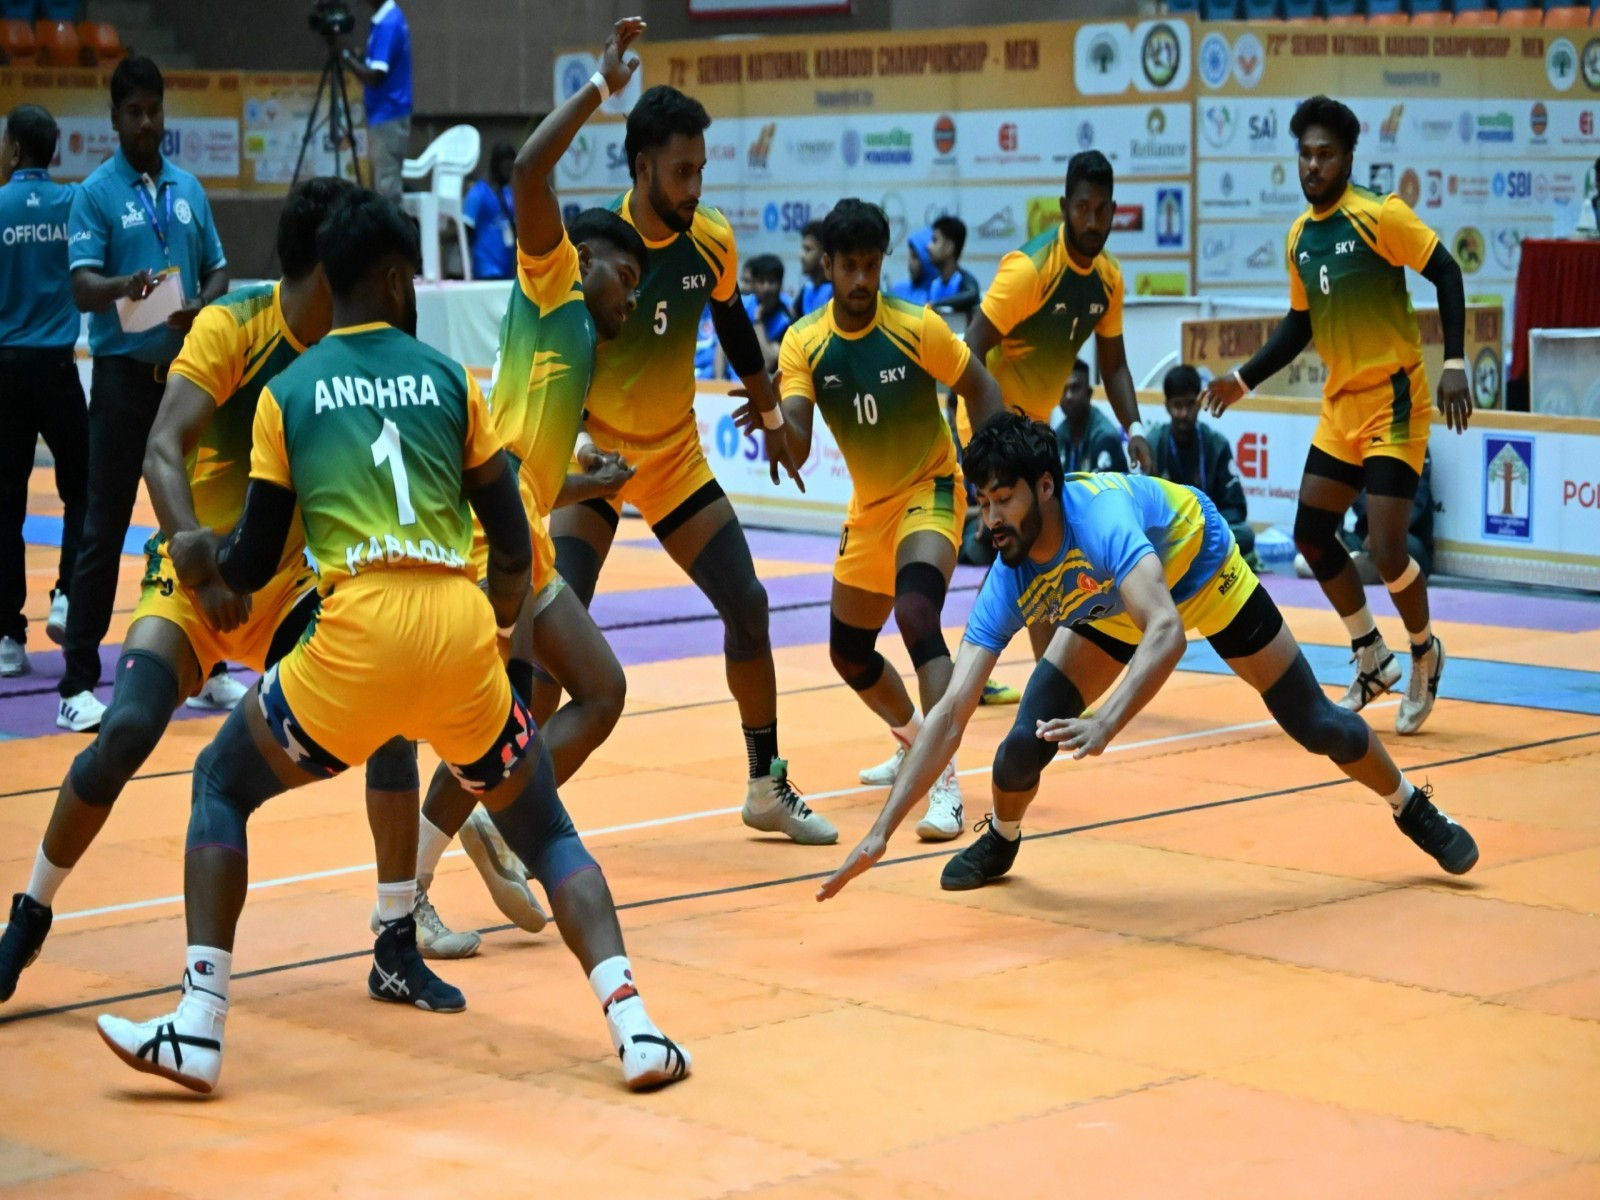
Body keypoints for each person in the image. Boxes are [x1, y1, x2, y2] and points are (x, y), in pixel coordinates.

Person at [95, 187, 690, 1096]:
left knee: (220, 783)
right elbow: (504, 521)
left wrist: (200, 564)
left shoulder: (288, 391)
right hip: (455, 630)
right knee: (549, 831)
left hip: (356, 639)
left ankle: (201, 1022)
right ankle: (639, 1030)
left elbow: (256, 557)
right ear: (392, 275)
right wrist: (492, 632)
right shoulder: (448, 379)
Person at [0, 178, 463, 1010]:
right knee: (129, 729)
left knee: (392, 721)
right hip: (194, 585)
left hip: (286, 593)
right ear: (329, 268)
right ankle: (28, 917)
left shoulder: (351, 360)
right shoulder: (233, 328)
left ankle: (394, 939)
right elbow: (161, 450)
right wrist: (202, 570)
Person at [817, 413, 1480, 905]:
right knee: (1021, 745)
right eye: (983, 503)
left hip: (1200, 571)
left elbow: (1165, 632)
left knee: (1317, 724)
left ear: (1045, 487)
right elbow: (952, 712)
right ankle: (1005, 839)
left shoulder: (1100, 517)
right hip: (1112, 608)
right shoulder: (1008, 573)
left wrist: (1106, 723)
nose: (990, 519)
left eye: (1004, 499)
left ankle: (1411, 807)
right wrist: (881, 831)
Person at [391, 18, 651, 951]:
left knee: (597, 693)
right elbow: (530, 177)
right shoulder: (556, 288)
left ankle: (498, 821)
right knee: (488, 724)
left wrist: (589, 485)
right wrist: (598, 89)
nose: (634, 304)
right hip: (484, 542)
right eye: (632, 285)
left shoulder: (576, 349)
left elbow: (533, 460)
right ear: (600, 264)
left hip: (525, 535)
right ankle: (410, 897)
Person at [544, 83, 832, 845]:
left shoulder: (710, 238)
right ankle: (513, 802)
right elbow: (557, 356)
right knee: (550, 637)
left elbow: (736, 325)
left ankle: (765, 785)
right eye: (681, 173)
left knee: (750, 604)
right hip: (594, 459)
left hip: (673, 459)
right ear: (642, 168)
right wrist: (571, 457)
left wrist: (772, 417)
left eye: (701, 170)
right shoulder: (593, 249)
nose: (695, 188)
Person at [1199, 94, 1470, 736]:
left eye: (1325, 154)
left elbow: (1449, 272)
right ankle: (1369, 655)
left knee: (1383, 545)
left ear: (1348, 157)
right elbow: (1300, 323)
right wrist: (1243, 379)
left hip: (1395, 400)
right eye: (1305, 154)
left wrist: (1454, 360)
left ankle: (1425, 649)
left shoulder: (1381, 215)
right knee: (1312, 535)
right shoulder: (1299, 236)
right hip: (1340, 405)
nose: (1313, 165)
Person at [775, 199, 1003, 841]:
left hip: (932, 488)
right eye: (849, 266)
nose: (861, 281)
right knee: (848, 653)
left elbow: (981, 390)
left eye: (871, 265)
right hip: (869, 508)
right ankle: (912, 739)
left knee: (917, 614)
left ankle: (946, 785)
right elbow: (795, 441)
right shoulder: (804, 342)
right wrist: (772, 423)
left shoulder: (916, 325)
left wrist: (995, 486)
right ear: (828, 265)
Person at [58, 56, 230, 732]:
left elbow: (217, 270)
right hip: (125, 382)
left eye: (155, 111)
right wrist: (126, 287)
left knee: (197, 522)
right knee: (103, 528)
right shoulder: (96, 193)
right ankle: (76, 683)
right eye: (134, 113)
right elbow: (81, 288)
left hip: (186, 381)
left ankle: (213, 667)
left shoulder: (188, 187)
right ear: (114, 118)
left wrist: (201, 311)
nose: (147, 123)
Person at [961, 152, 1152, 475]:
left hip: (1038, 426)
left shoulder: (1109, 278)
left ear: (1114, 212)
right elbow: (971, 347)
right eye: (1082, 208)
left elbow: (1114, 366)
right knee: (1016, 521)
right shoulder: (1030, 270)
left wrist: (1135, 429)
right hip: (989, 421)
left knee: (1047, 522)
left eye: (1101, 210)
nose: (1092, 222)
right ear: (1064, 208)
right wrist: (992, 438)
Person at [0, 104, 86, 678]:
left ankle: (8, 638)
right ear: (53, 152)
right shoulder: (72, 204)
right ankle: (66, 596)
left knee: (5, 504)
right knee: (82, 487)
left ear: (12, 150)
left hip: (5, 372)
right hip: (58, 368)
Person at [1149, 364, 1256, 568]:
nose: (1183, 413)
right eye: (1176, 405)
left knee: (1244, 535)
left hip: (1208, 531)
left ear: (1200, 403)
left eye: (1190, 404)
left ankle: (1192, 556)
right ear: (1167, 406)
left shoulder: (1216, 445)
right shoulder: (1153, 445)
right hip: (1169, 535)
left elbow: (1236, 508)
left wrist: (1204, 527)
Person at [341, 0, 413, 203]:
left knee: (387, 189)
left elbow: (375, 75)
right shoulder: (387, 19)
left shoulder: (388, 23)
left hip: (388, 115)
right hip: (384, 115)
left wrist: (344, 55)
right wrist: (358, 58)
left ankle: (390, 234)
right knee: (383, 185)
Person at [718, 252, 789, 376]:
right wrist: (718, 381)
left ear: (780, 284)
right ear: (754, 284)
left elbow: (769, 362)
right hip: (730, 382)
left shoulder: (786, 320)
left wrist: (757, 322)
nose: (766, 287)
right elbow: (721, 345)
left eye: (771, 281)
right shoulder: (741, 305)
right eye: (761, 281)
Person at [1056, 358, 1128, 476]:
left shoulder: (1105, 437)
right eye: (1063, 390)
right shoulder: (1058, 435)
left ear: (1089, 393)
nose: (1068, 396)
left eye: (1075, 388)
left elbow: (1104, 491)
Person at [461, 141, 516, 281]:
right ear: (496, 167)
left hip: (507, 267)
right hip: (486, 267)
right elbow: (465, 230)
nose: (509, 176)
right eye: (506, 170)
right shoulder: (477, 193)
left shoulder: (508, 193)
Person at [793, 218, 831, 318]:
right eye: (802, 249)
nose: (801, 255)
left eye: (808, 249)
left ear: (824, 253)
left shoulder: (836, 291)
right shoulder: (806, 290)